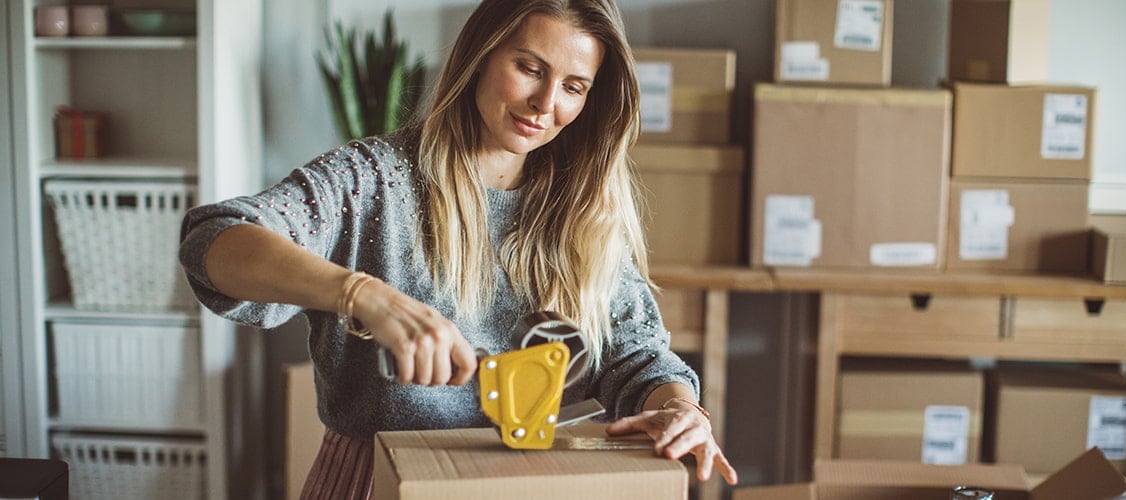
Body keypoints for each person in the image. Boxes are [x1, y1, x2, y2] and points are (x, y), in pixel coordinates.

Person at [178, 0, 738, 497]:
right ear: (480, 56)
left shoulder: (583, 213)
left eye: (573, 86)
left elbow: (638, 356)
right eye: (529, 68)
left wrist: (677, 408)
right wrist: (361, 293)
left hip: (526, 483)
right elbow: (217, 239)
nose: (545, 103)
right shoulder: (375, 178)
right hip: (377, 479)